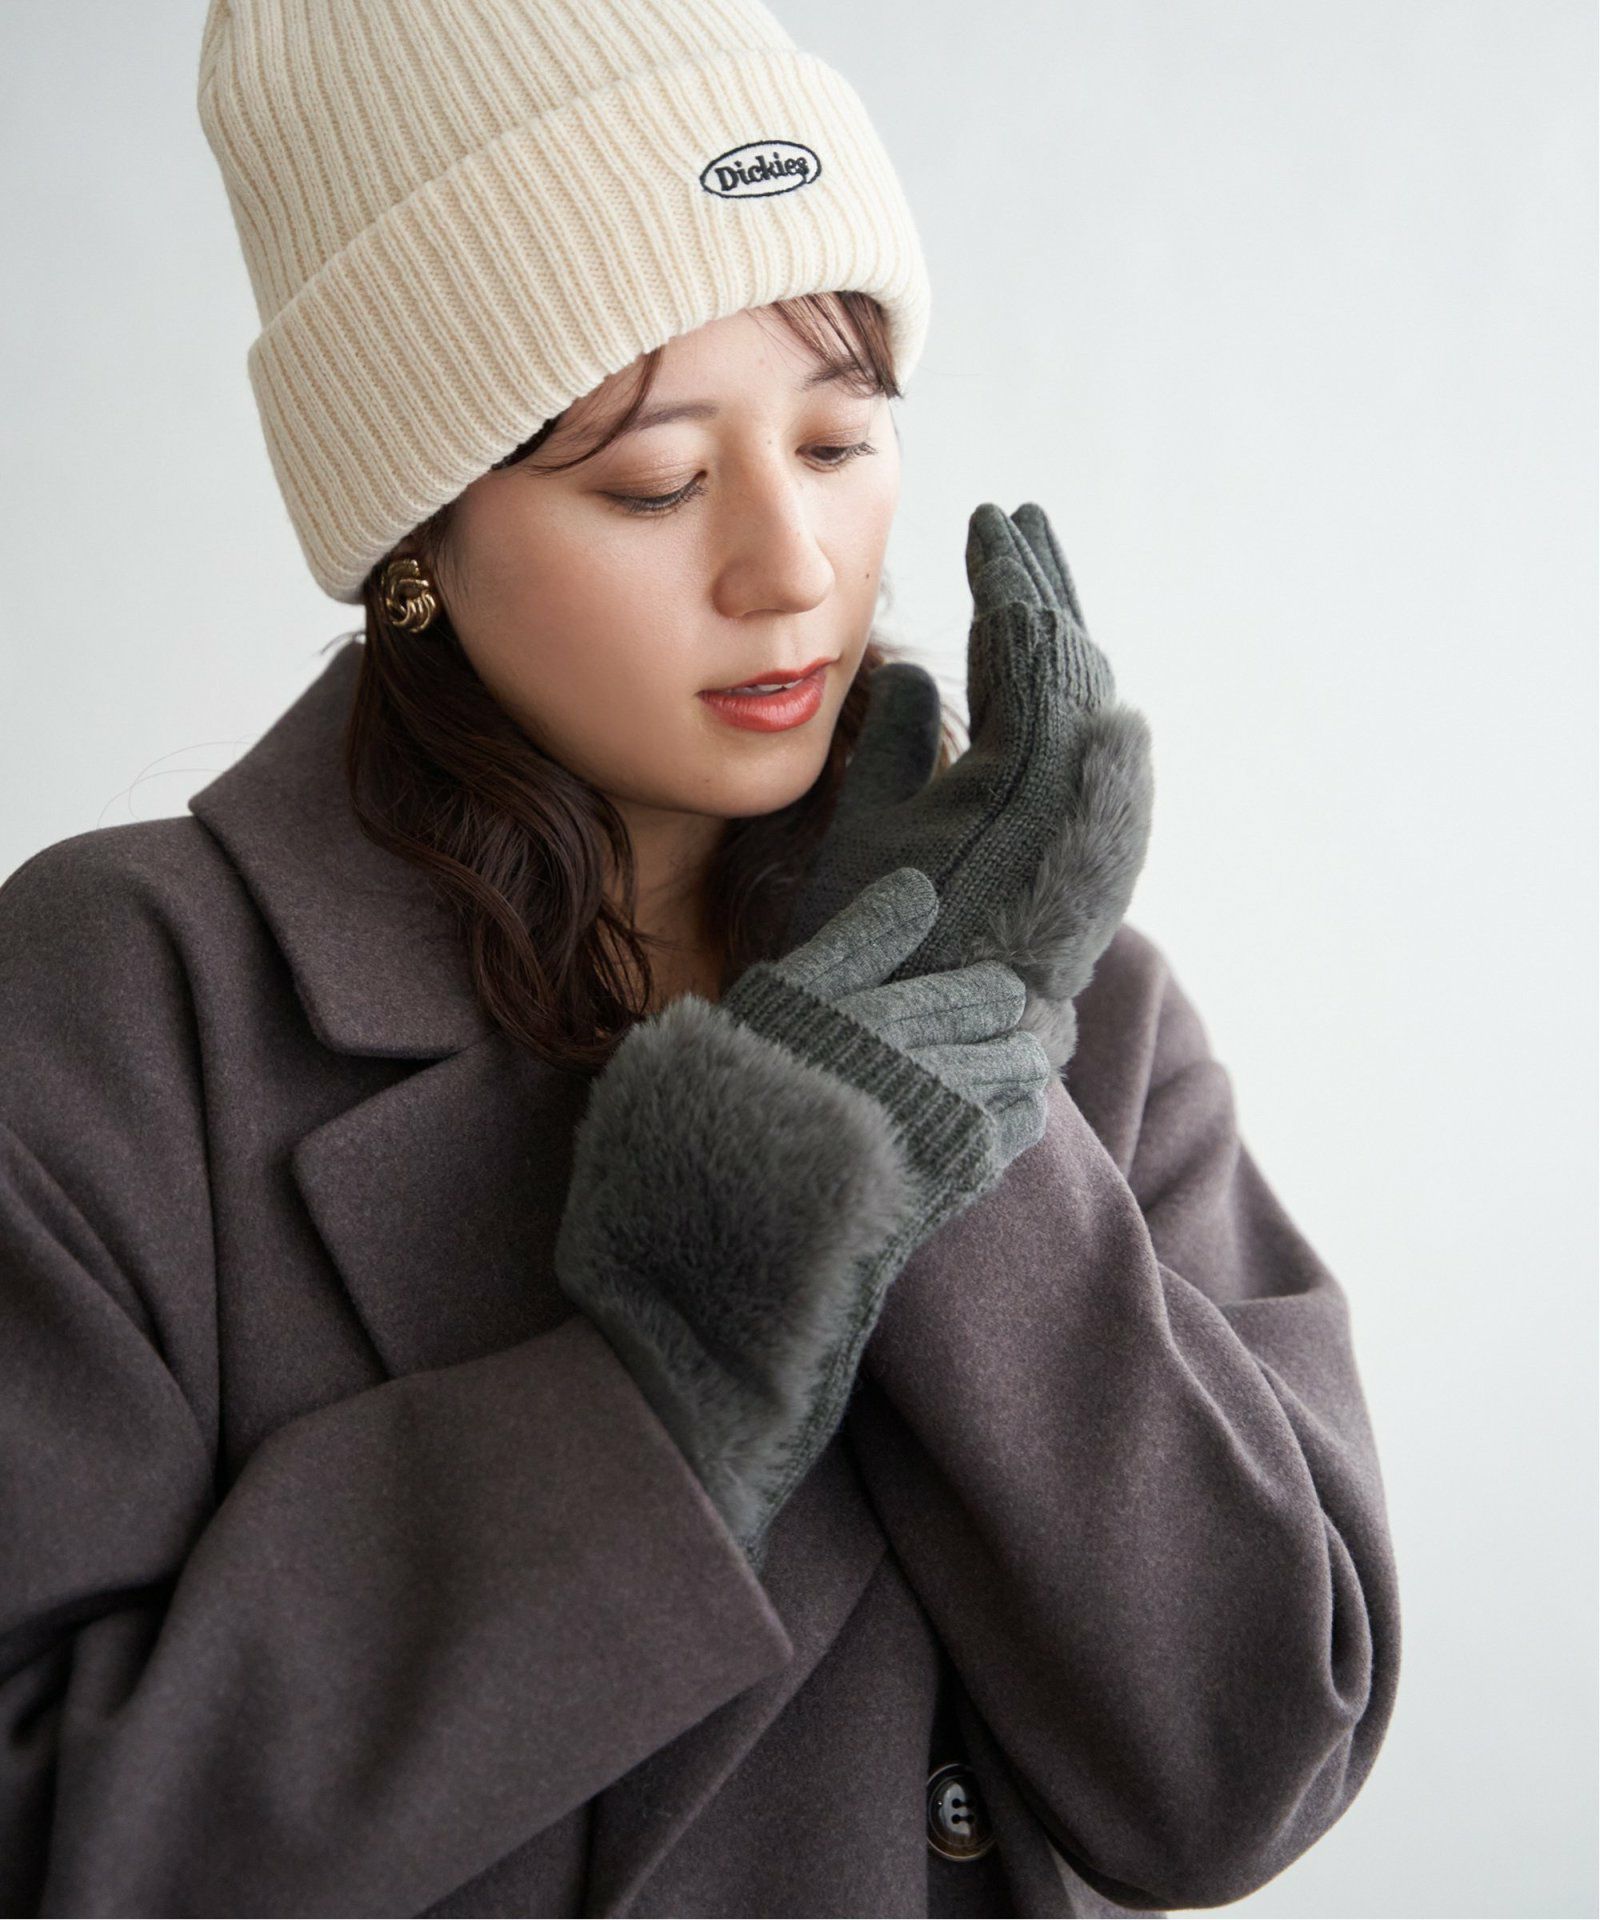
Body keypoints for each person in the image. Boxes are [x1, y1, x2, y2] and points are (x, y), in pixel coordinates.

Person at [0, 2, 1402, 1915]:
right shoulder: (118, 1008)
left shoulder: (1074, 1003)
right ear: (415, 541)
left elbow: (1254, 1765)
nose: (792, 565)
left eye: (838, 438)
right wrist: (666, 1378)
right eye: (653, 483)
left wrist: (957, 1115)